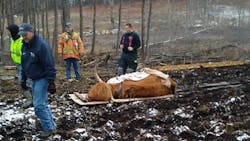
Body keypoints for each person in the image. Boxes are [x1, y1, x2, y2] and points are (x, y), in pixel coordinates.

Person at [19, 23, 56, 138]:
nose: (23, 37)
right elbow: (24, 63)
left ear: (32, 32)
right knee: (42, 104)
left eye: (25, 34)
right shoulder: (24, 45)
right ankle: (51, 126)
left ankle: (48, 128)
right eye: (22, 35)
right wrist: (23, 79)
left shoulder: (41, 45)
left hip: (42, 78)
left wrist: (51, 81)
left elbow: (49, 64)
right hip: (33, 79)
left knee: (39, 106)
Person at [6, 24, 32, 108]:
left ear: (13, 32)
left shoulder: (21, 41)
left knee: (24, 82)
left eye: (9, 31)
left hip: (23, 64)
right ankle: (32, 97)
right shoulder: (12, 40)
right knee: (24, 82)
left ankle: (31, 99)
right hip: (18, 64)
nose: (8, 33)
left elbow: (25, 55)